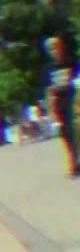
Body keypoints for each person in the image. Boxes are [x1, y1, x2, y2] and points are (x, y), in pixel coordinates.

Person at [46, 35, 79, 177]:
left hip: (73, 102)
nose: (55, 50)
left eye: (57, 47)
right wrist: (52, 110)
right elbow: (50, 91)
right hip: (60, 106)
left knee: (76, 132)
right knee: (65, 135)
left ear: (62, 47)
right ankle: (74, 161)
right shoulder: (50, 69)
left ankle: (73, 163)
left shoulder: (72, 63)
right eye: (52, 48)